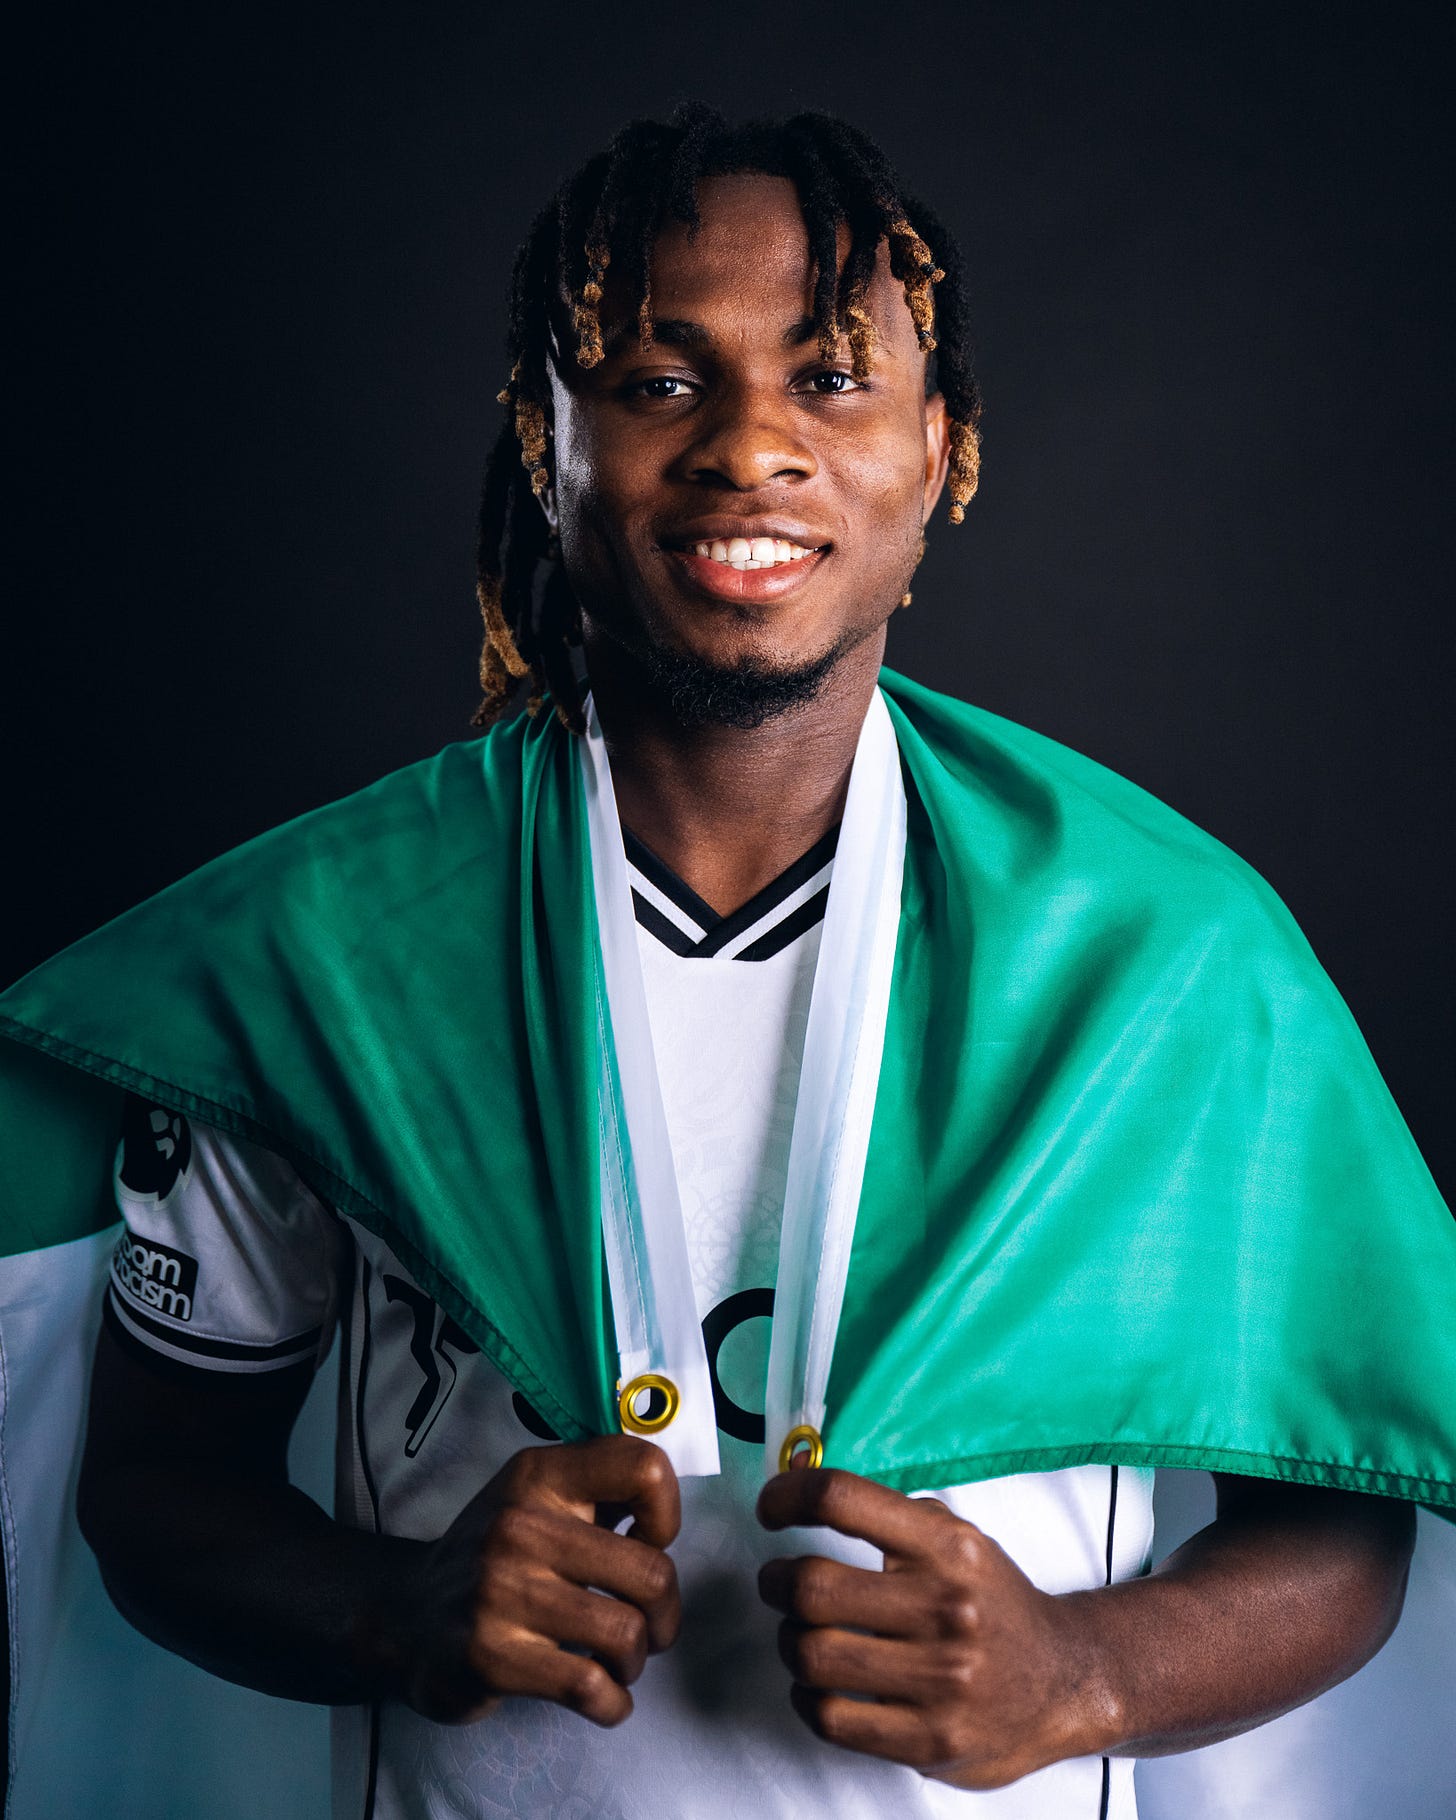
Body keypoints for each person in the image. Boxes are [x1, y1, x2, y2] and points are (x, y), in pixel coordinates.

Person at [1, 107, 1452, 1820]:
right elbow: (163, 1493)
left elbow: (1341, 1522)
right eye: (655, 380)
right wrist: (396, 1611)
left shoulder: (1166, 962)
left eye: (832, 379)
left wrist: (1089, 1675)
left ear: (942, 450)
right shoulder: (322, 958)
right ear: (548, 450)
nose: (751, 446)